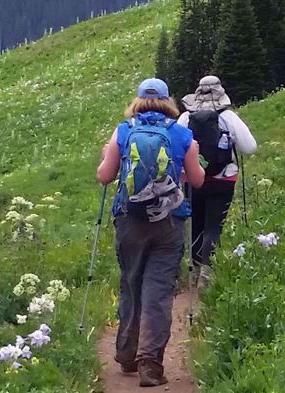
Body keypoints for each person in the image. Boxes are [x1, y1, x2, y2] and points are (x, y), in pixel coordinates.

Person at [96, 77, 204, 387]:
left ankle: (127, 353)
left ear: (138, 101)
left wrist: (108, 155)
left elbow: (104, 176)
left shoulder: (124, 131)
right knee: (157, 292)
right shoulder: (182, 134)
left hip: (130, 219)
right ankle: (150, 365)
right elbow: (196, 181)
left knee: (132, 285)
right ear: (168, 101)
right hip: (169, 222)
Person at [178, 75, 257, 287]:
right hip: (223, 179)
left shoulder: (186, 118)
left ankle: (194, 268)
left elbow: (176, 148)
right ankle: (207, 271)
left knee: (196, 222)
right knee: (214, 225)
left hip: (193, 179)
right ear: (220, 92)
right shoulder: (228, 117)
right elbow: (250, 147)